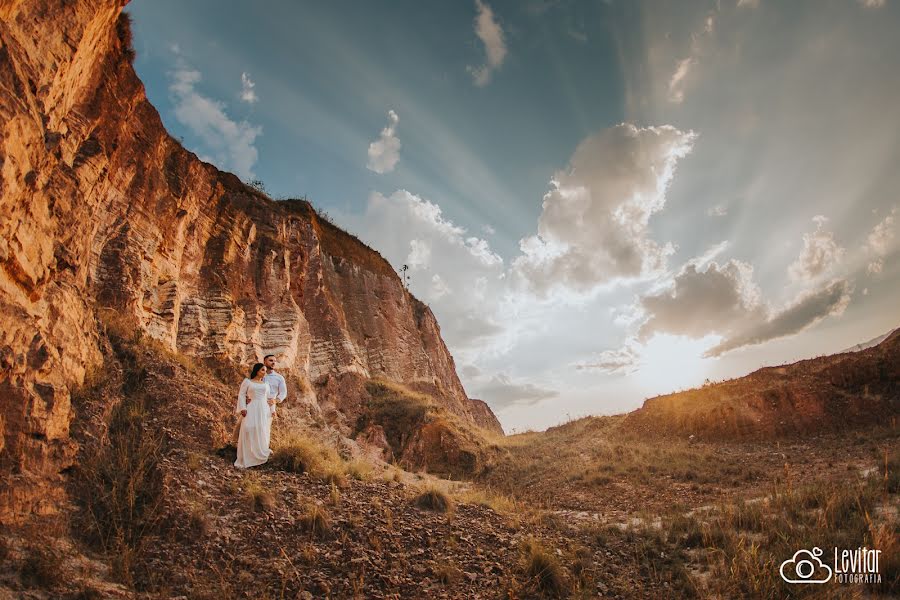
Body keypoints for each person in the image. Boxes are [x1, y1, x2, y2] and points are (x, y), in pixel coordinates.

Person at [234, 363, 273, 469]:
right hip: (251, 407)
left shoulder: (266, 384)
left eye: (265, 371)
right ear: (256, 371)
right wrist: (243, 408)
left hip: (263, 409)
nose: (264, 373)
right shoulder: (247, 382)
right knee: (248, 428)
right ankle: (247, 456)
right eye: (262, 370)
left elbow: (270, 398)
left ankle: (260, 455)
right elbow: (241, 394)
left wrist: (272, 410)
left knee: (261, 429)